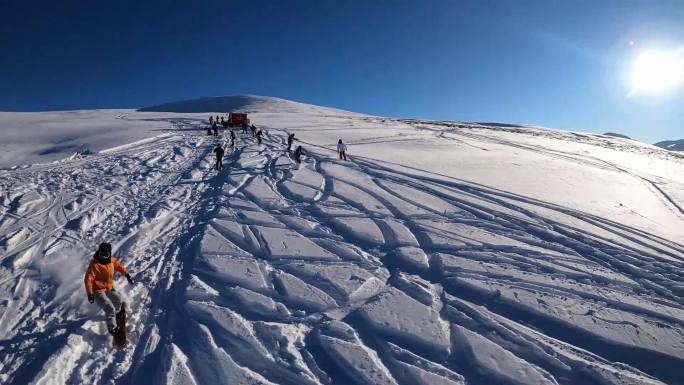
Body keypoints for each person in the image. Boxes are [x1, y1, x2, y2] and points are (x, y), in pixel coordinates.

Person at [84, 242, 133, 335]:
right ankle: (112, 329)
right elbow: (88, 279)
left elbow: (119, 266)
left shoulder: (112, 261)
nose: (103, 257)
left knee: (118, 300)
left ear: (109, 254)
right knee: (109, 308)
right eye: (101, 254)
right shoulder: (94, 265)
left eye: (106, 255)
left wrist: (127, 275)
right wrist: (90, 294)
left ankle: (117, 314)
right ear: (98, 252)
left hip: (108, 288)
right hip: (98, 290)